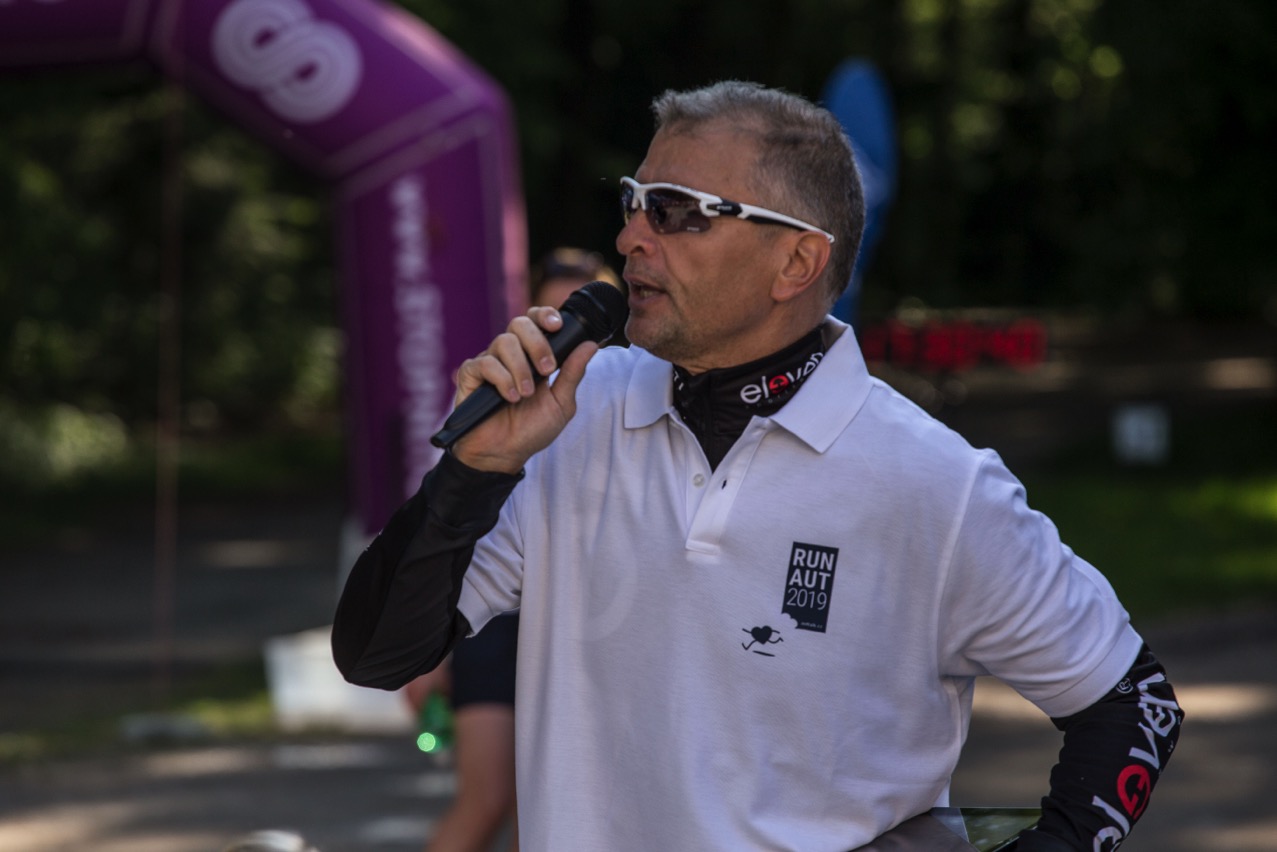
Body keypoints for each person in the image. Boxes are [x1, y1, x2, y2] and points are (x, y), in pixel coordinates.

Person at [333, 81, 1182, 851]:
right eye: (632, 201)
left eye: (674, 211)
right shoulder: (573, 413)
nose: (629, 237)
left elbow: (1131, 703)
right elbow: (375, 657)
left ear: (795, 263)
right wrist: (472, 471)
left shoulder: (937, 483)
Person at [401, 249, 623, 852]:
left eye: (585, 318)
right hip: (491, 622)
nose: (566, 330)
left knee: (550, 815)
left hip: (583, 625)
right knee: (487, 797)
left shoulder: (633, 402)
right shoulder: (492, 387)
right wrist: (426, 654)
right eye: (556, 313)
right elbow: (436, 522)